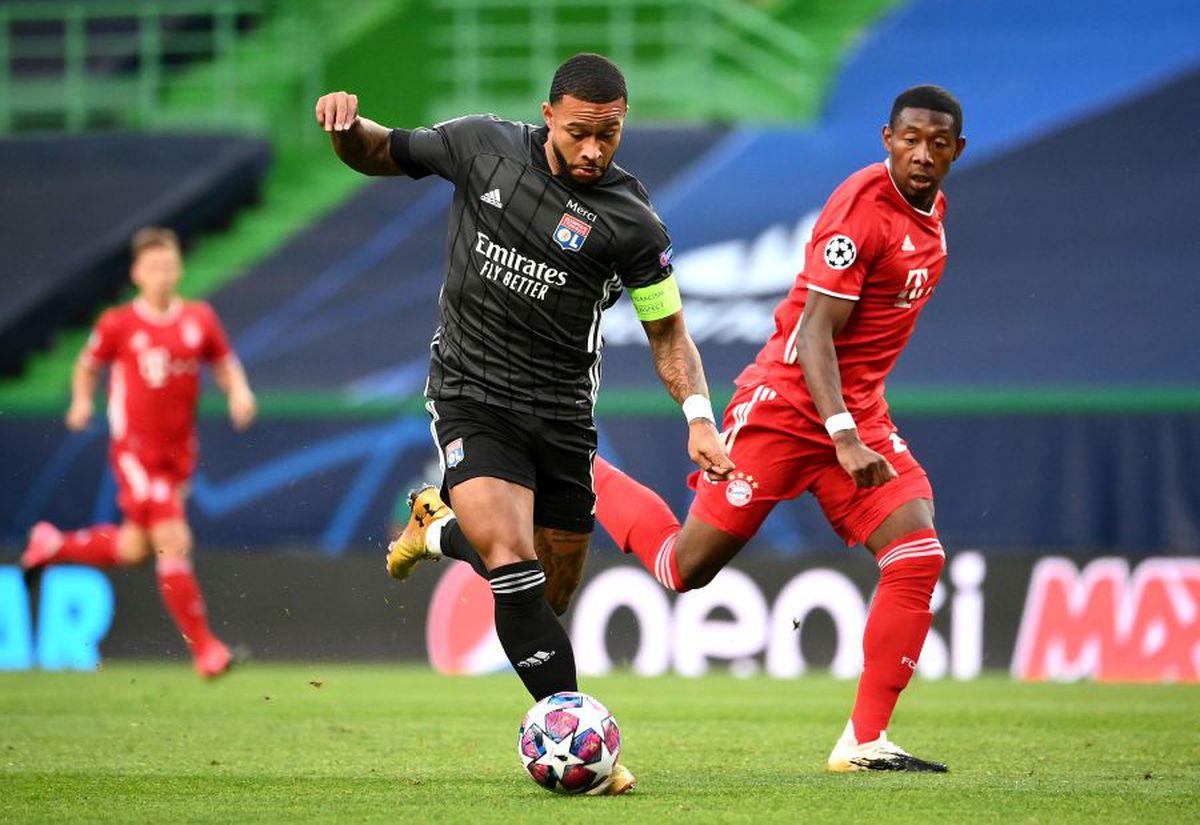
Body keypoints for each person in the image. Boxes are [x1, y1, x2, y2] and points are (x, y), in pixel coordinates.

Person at [315, 53, 732, 794]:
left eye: (608, 135)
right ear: (548, 116)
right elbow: (380, 149)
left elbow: (669, 334)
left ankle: (437, 528)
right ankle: (578, 747)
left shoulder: (632, 223)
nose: (593, 150)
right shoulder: (480, 146)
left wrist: (699, 416)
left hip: (564, 418)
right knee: (511, 558)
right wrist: (346, 129)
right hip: (471, 393)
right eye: (579, 133)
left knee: (549, 591)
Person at [592, 85, 966, 772]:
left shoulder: (933, 212)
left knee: (917, 551)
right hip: (788, 410)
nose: (922, 154)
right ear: (887, 139)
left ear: (955, 152)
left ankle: (863, 741)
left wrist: (855, 424)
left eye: (937, 144)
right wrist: (843, 429)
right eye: (910, 139)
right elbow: (815, 331)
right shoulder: (862, 210)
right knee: (684, 567)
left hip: (855, 414)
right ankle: (579, 466)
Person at [21, 227, 257, 679]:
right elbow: (87, 366)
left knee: (133, 549)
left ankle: (53, 544)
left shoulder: (199, 319)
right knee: (174, 539)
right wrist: (80, 401)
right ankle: (206, 651)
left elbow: (224, 363)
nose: (163, 275)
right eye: (154, 268)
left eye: (169, 266)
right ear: (137, 274)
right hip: (135, 451)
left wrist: (239, 394)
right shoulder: (119, 324)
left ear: (179, 268)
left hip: (178, 453)